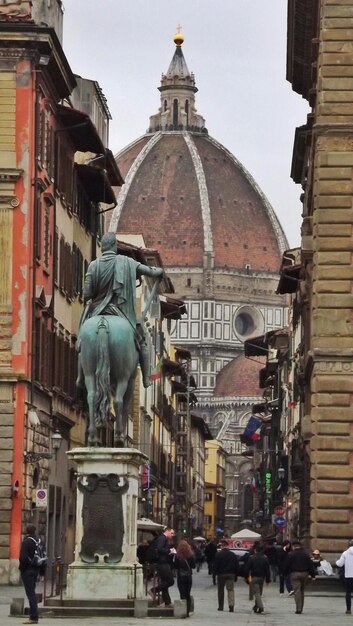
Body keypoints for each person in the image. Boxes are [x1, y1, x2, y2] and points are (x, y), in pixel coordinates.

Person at [77, 232, 163, 389]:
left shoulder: (93, 266)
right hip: (122, 313)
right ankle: (146, 377)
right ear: (114, 247)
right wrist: (159, 273)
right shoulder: (127, 262)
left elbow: (86, 294)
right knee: (142, 342)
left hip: (97, 312)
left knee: (82, 340)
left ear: (102, 247)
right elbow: (151, 272)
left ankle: (80, 378)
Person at [284, 540, 316, 614]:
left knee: (297, 591)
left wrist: (285, 574)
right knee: (302, 591)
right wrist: (313, 575)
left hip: (294, 574)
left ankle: (298, 608)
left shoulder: (291, 554)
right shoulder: (306, 554)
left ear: (293, 546)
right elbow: (310, 565)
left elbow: (287, 565)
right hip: (304, 574)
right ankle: (301, 607)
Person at [19, 524, 40, 625]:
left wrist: (22, 569)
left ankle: (33, 617)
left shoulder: (26, 542)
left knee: (31, 594)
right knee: (32, 592)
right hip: (35, 570)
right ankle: (34, 616)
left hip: (27, 571)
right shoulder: (38, 541)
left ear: (26, 531)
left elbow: (23, 558)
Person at [149, 527, 175, 607]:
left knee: (165, 582)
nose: (172, 535)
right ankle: (153, 590)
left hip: (162, 562)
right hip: (162, 563)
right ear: (167, 531)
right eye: (171, 533)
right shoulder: (162, 538)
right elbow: (160, 548)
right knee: (170, 581)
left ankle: (167, 602)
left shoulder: (163, 539)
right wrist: (169, 551)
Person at [213, 539, 239, 612]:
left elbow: (216, 566)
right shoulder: (232, 554)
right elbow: (236, 566)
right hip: (230, 574)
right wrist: (236, 575)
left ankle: (221, 606)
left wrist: (215, 574)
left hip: (221, 574)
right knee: (230, 590)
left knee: (220, 591)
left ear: (222, 546)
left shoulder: (218, 554)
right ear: (227, 546)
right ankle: (231, 606)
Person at [244, 543, 270, 614]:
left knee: (256, 592)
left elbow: (247, 569)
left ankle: (260, 606)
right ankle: (256, 606)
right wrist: (268, 579)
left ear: (255, 550)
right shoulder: (265, 558)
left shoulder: (252, 558)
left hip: (254, 577)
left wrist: (247, 578)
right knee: (259, 592)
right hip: (262, 578)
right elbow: (267, 570)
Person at [173, 540, 196, 617]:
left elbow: (175, 566)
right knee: (188, 594)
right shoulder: (191, 555)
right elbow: (193, 566)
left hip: (181, 576)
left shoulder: (177, 555)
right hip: (188, 577)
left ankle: (183, 611)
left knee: (182, 594)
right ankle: (187, 612)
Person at [336, 539, 353, 614]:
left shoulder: (345, 553)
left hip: (348, 575)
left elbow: (339, 564)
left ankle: (348, 609)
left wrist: (336, 561)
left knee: (348, 593)